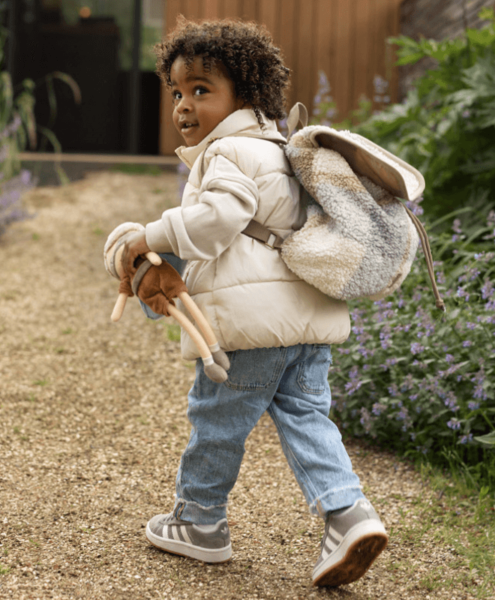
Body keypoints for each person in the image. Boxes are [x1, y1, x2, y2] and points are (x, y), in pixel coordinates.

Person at [120, 17, 388, 587]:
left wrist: (151, 237)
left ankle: (200, 523)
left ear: (244, 93)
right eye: (176, 92)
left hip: (253, 328)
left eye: (200, 90)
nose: (184, 106)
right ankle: (349, 514)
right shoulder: (284, 150)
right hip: (309, 320)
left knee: (216, 421)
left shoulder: (229, 154)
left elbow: (218, 222)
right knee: (305, 415)